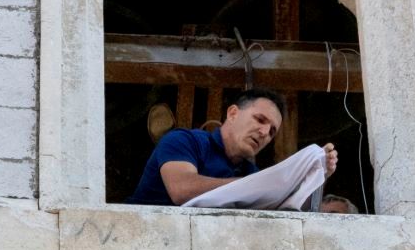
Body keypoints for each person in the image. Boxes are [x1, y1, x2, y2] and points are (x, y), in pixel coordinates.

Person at [126, 88, 338, 206]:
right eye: (260, 119)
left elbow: (286, 209)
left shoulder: (249, 172)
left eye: (272, 131)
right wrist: (252, 186)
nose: (264, 132)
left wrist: (319, 172)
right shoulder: (183, 140)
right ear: (233, 113)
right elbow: (182, 190)